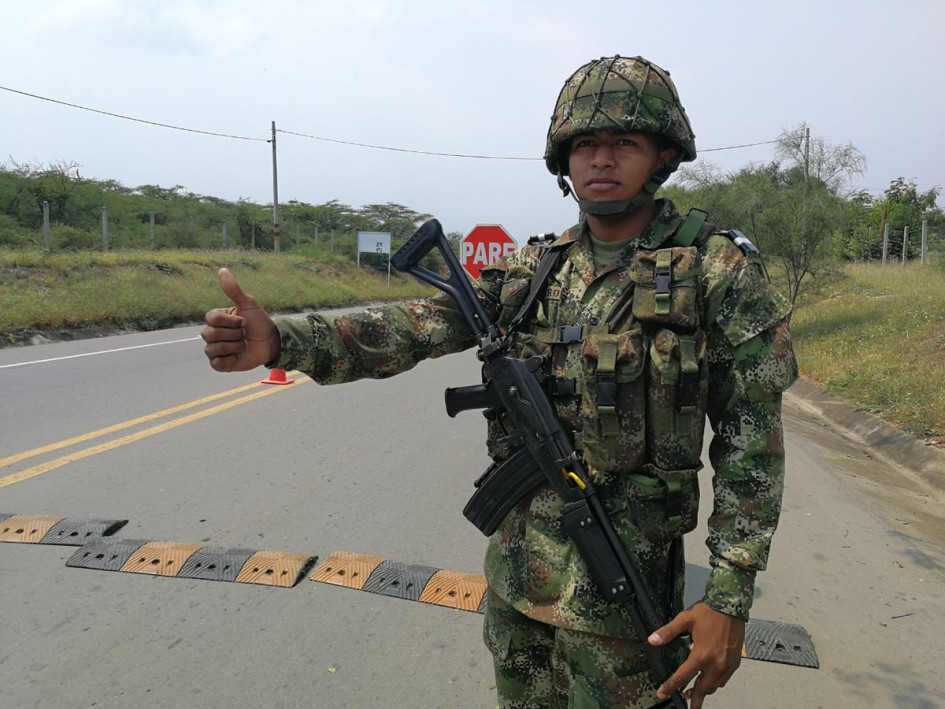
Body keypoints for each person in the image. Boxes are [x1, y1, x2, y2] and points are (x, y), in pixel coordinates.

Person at [202, 55, 798, 709]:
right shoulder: (527, 273)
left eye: (623, 142)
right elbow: (412, 326)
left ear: (660, 155)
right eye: (584, 144)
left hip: (624, 608)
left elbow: (752, 443)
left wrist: (729, 594)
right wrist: (284, 341)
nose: (600, 159)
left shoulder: (714, 270)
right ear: (562, 160)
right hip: (517, 590)